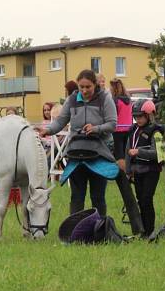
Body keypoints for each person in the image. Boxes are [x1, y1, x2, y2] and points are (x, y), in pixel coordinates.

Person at [36, 69, 118, 216]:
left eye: (88, 87)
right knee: (76, 197)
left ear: (95, 84)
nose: (85, 90)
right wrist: (47, 130)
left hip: (99, 154)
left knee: (97, 197)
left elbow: (112, 124)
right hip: (76, 153)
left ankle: (99, 230)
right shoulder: (72, 100)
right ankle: (74, 232)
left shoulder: (105, 98)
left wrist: (96, 128)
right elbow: (61, 121)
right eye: (81, 87)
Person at [126, 99, 165, 236]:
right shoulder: (133, 130)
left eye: (141, 116)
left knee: (146, 199)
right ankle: (143, 230)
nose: (138, 119)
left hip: (151, 171)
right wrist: (128, 170)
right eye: (136, 117)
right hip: (137, 171)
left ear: (149, 116)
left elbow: (158, 154)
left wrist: (139, 151)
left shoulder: (156, 132)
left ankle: (150, 231)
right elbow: (128, 151)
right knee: (140, 201)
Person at [110, 78, 133, 170]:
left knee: (119, 156)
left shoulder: (116, 101)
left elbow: (113, 116)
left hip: (118, 130)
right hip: (129, 129)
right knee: (126, 154)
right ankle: (129, 172)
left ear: (114, 88)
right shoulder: (128, 100)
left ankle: (123, 174)